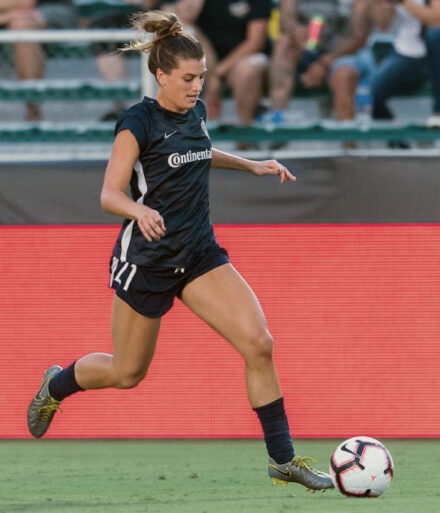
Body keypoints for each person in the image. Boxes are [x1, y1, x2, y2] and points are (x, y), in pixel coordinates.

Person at [26, 10, 334, 492]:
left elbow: (196, 150)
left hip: (198, 253)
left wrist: (251, 165)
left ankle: (282, 461)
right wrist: (137, 211)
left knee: (259, 344)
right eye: (188, 78)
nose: (197, 87)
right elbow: (109, 194)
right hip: (146, 260)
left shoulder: (195, 112)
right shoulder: (136, 122)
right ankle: (56, 384)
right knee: (127, 373)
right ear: (161, 75)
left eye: (202, 78)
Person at [268, 0, 387, 124]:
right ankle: (277, 119)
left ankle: (347, 136)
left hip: (346, 52)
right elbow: (285, 19)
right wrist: (295, 29)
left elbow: (358, 38)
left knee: (344, 73)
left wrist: (323, 64)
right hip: (309, 48)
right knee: (283, 44)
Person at [370, 0, 440, 131]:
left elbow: (437, 19)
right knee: (374, 91)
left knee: (435, 36)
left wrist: (402, 2)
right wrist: (383, 5)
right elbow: (383, 25)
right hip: (409, 52)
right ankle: (398, 142)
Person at [175, 0, 272, 125]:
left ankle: (245, 133)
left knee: (248, 70)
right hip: (206, 60)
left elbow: (255, 43)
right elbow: (184, 17)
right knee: (183, 29)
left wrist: (217, 74)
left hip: (244, 59)